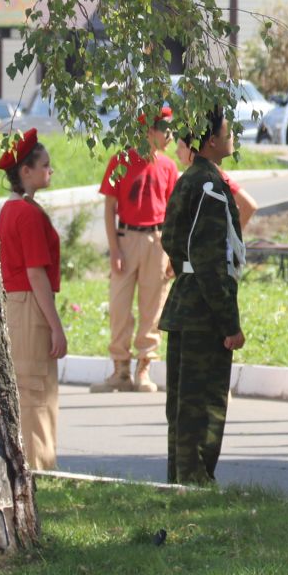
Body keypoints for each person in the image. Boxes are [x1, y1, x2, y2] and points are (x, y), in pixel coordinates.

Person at [159, 110, 246, 485]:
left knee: (182, 405)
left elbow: (172, 241)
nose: (231, 136)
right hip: (204, 312)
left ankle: (181, 478)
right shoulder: (209, 184)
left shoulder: (190, 178)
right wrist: (230, 322)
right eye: (227, 130)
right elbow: (211, 260)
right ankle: (195, 481)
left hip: (187, 302)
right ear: (211, 140)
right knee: (202, 404)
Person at [92, 107, 180, 394]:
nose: (169, 136)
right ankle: (120, 368)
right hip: (127, 237)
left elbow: (173, 213)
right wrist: (114, 249)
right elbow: (109, 209)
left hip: (157, 240)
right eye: (164, 129)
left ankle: (144, 366)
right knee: (119, 306)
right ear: (148, 131)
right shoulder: (121, 161)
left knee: (153, 307)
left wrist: (172, 253)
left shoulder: (167, 166)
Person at [0, 129, 66, 471]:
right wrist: (56, 326)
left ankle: (27, 464)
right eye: (45, 165)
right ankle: (39, 467)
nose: (49, 171)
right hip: (29, 305)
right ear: (26, 171)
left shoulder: (11, 209)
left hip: (14, 304)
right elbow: (36, 273)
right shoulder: (27, 214)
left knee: (25, 389)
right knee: (35, 392)